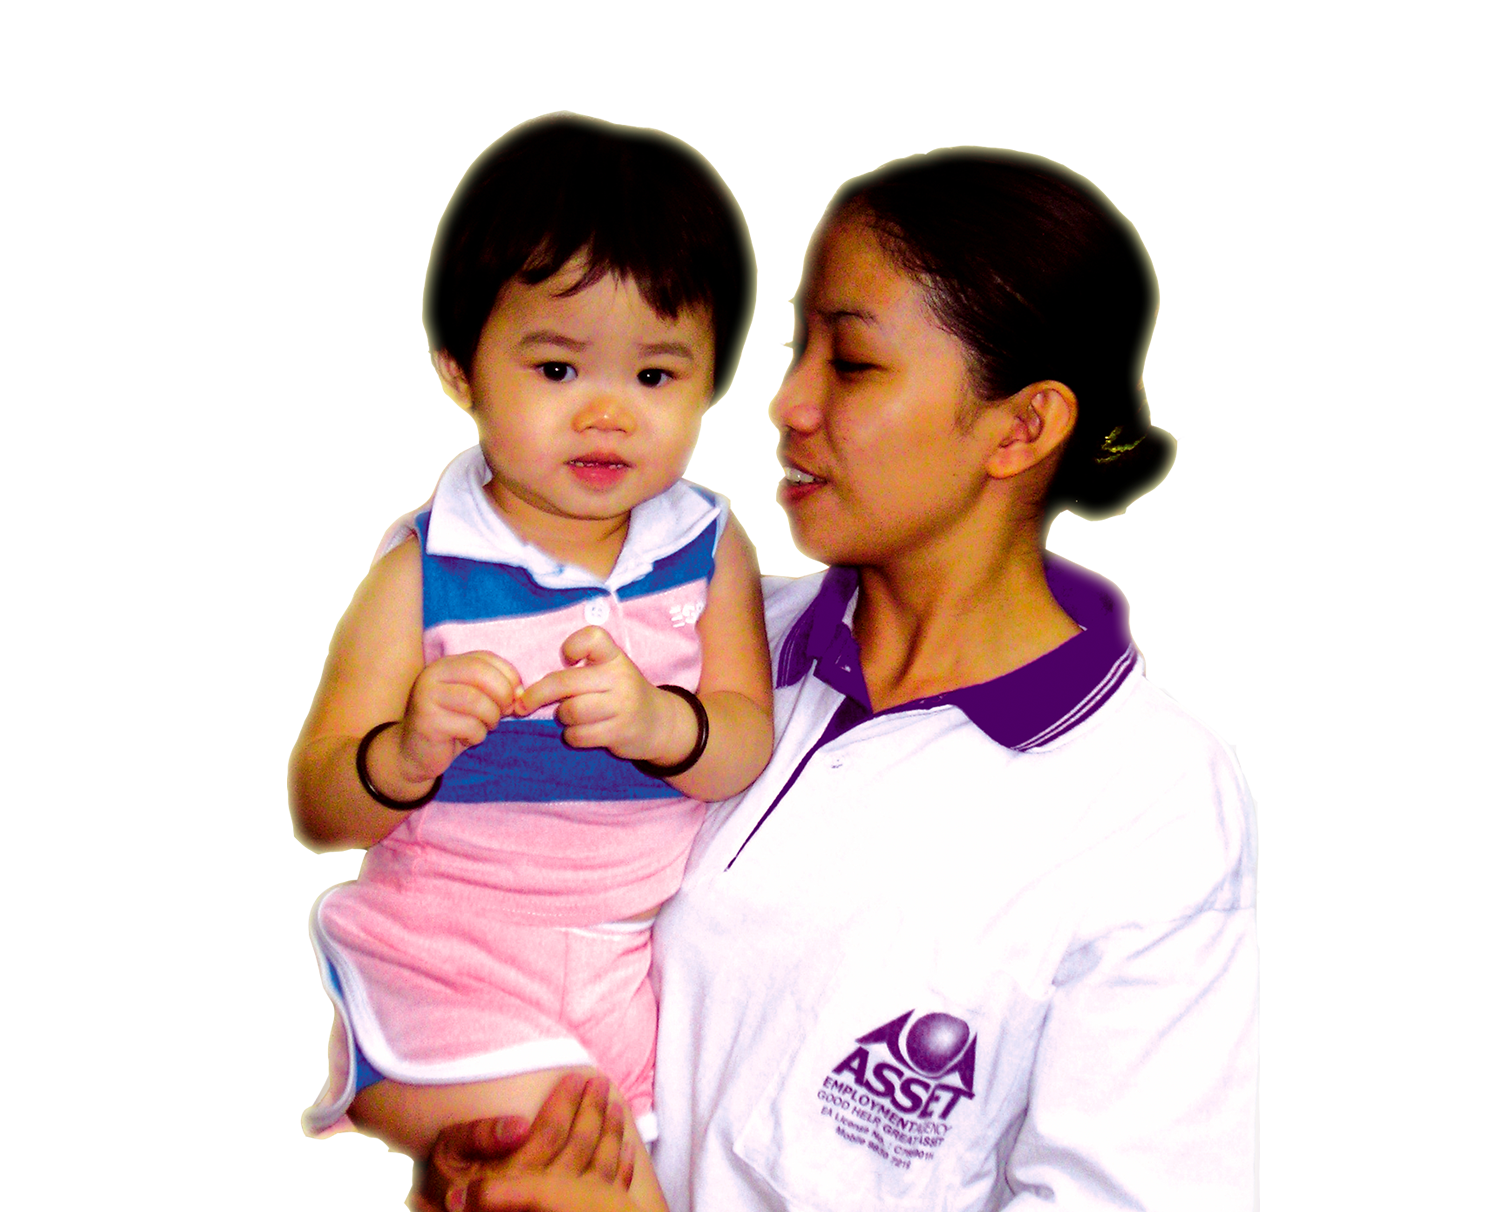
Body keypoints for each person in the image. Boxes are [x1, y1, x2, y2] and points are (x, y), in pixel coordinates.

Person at [423, 145, 1258, 1212]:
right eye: (794, 349)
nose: (785, 404)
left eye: (851, 363)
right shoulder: (689, 648)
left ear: (1021, 427)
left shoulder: (1149, 804)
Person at [289, 114, 775, 1212]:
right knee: (603, 1195)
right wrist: (402, 751)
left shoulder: (706, 547)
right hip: (450, 971)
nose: (607, 411)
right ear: (460, 370)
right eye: (556, 366)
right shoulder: (427, 571)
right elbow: (321, 805)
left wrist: (663, 726)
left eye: (656, 374)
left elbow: (744, 738)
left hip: (620, 981)